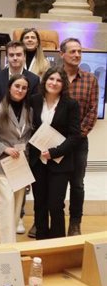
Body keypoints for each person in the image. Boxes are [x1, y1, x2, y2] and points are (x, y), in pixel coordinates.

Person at [0, 40, 39, 232]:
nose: (15, 58)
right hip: (2, 135)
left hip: (22, 142)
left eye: (19, 55)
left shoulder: (33, 78)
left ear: (24, 56)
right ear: (7, 57)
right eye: (12, 55)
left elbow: (34, 108)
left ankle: (18, 217)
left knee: (19, 189)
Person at [29, 67, 80, 239]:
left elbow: (74, 137)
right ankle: (41, 242)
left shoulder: (71, 105)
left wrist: (54, 152)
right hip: (38, 163)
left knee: (55, 205)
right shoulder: (34, 100)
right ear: (45, 81)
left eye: (58, 80)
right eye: (51, 79)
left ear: (63, 84)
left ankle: (57, 244)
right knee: (40, 204)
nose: (54, 83)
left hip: (60, 162)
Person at [0, 74, 33, 244]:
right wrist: (4, 148)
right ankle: (7, 246)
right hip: (2, 164)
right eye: (17, 86)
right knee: (6, 204)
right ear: (10, 87)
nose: (20, 90)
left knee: (16, 206)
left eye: (24, 87)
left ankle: (6, 239)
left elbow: (28, 137)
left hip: (20, 165)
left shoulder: (30, 112)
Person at [59, 38, 98, 236]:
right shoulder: (54, 77)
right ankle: (52, 217)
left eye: (79, 51)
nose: (76, 55)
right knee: (54, 183)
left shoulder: (90, 79)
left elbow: (92, 112)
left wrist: (75, 138)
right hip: (55, 141)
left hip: (79, 143)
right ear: (62, 54)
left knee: (77, 184)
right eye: (72, 51)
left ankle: (75, 223)